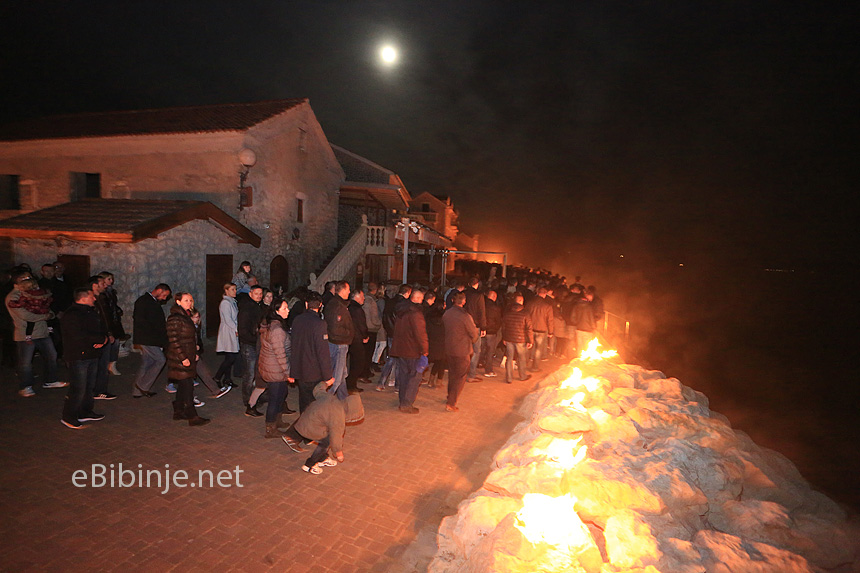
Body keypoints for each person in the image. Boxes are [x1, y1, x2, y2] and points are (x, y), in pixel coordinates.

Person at [6, 271, 65, 397]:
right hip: (26, 333)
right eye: (24, 277)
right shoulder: (13, 297)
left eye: (29, 277)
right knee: (25, 362)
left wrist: (50, 314)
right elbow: (26, 315)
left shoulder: (34, 292)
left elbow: (46, 306)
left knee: (51, 355)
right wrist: (45, 316)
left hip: (42, 331)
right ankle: (25, 386)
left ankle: (51, 380)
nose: (28, 279)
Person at [59, 287, 108, 429]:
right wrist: (98, 340)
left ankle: (85, 411)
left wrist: (103, 338)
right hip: (78, 355)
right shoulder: (72, 315)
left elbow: (97, 329)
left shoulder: (89, 312)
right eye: (92, 296)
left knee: (89, 386)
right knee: (78, 387)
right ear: (83, 298)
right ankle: (69, 416)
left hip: (91, 354)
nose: (94, 298)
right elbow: (78, 335)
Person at [281, 380, 346, 475]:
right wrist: (338, 452)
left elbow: (318, 390)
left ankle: (323, 458)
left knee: (326, 438)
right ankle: (309, 465)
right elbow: (336, 435)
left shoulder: (330, 398)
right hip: (309, 427)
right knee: (325, 442)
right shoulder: (338, 416)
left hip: (303, 421)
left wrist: (326, 383)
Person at [165, 292, 209, 426]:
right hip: (180, 357)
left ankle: (178, 410)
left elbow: (189, 337)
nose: (189, 303)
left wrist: (195, 351)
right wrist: (183, 357)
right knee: (188, 386)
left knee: (184, 384)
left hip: (188, 354)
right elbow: (173, 340)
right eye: (186, 300)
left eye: (190, 300)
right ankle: (192, 415)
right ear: (178, 302)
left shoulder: (186, 316)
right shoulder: (175, 318)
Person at [256, 298, 294, 438]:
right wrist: (288, 373)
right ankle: (270, 428)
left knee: (281, 394)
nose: (288, 310)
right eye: (284, 308)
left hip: (271, 366)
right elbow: (280, 354)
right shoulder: (277, 329)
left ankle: (277, 421)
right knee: (275, 398)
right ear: (277, 311)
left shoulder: (273, 324)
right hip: (275, 369)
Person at [290, 292, 334, 413]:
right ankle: (310, 429)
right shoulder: (320, 324)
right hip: (314, 371)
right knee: (314, 404)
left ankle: (303, 427)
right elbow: (322, 352)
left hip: (300, 368)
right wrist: (328, 376)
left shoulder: (297, 320)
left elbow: (293, 346)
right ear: (320, 305)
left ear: (306, 304)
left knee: (304, 402)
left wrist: (292, 371)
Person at [389, 288, 428, 414]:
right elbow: (420, 334)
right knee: (414, 377)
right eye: (421, 299)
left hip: (401, 348)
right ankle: (406, 403)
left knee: (404, 375)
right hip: (412, 349)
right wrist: (424, 350)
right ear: (416, 299)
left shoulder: (402, 310)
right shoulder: (415, 313)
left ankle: (402, 400)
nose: (422, 302)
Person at [132, 283, 171, 398]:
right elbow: (141, 321)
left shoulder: (151, 301)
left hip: (150, 338)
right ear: (159, 290)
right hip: (147, 338)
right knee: (160, 360)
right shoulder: (143, 301)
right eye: (164, 295)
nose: (164, 299)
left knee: (147, 363)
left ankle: (137, 391)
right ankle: (142, 386)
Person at [442, 291, 480, 412]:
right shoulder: (465, 316)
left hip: (449, 348)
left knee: (452, 374)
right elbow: (474, 334)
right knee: (460, 376)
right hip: (462, 350)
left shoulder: (447, 313)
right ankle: (451, 402)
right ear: (463, 302)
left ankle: (450, 395)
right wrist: (472, 340)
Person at [189, 308, 231, 401]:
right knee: (188, 377)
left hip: (195, 353)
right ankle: (188, 398)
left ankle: (215, 390)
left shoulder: (195, 326)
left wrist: (198, 347)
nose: (197, 319)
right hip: (190, 353)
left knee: (204, 372)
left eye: (197, 317)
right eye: (194, 317)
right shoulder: (189, 327)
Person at [323, 281, 353, 400]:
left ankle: (343, 397)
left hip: (336, 342)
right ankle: (325, 401)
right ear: (343, 290)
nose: (349, 292)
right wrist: (349, 333)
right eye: (348, 289)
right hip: (339, 343)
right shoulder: (337, 306)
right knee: (338, 376)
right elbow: (336, 329)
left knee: (342, 373)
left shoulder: (335, 303)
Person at [88, 276, 117, 400]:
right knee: (97, 365)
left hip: (103, 334)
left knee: (102, 364)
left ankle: (99, 389)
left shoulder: (101, 298)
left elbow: (106, 317)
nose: (105, 285)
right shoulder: (91, 300)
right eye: (102, 283)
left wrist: (109, 332)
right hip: (97, 336)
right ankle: (97, 391)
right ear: (94, 285)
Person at [377, 283, 411, 390]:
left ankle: (381, 382)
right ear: (408, 293)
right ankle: (398, 385)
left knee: (391, 359)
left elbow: (385, 317)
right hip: (400, 335)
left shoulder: (390, 302)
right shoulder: (405, 304)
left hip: (391, 333)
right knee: (399, 360)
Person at [237, 284, 264, 414]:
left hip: (256, 343)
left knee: (255, 372)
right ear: (250, 294)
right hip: (249, 344)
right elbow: (243, 330)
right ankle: (247, 400)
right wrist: (255, 339)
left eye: (260, 293)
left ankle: (254, 398)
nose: (259, 296)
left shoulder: (258, 307)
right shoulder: (247, 308)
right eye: (256, 293)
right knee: (249, 373)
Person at [98, 271, 126, 376]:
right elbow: (105, 310)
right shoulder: (102, 295)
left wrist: (117, 310)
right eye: (109, 279)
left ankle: (111, 364)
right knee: (110, 344)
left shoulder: (111, 292)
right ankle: (106, 365)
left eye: (111, 279)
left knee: (115, 343)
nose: (111, 281)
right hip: (108, 321)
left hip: (114, 320)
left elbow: (112, 305)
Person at [501, 293, 533, 384]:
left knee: (509, 358)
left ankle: (509, 378)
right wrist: (530, 340)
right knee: (522, 358)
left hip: (509, 338)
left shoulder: (507, 312)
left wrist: (504, 337)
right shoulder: (525, 313)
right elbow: (529, 328)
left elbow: (503, 326)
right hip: (520, 339)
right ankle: (522, 376)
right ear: (520, 301)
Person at [214, 283, 239, 387]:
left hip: (231, 329)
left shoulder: (232, 301)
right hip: (228, 331)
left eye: (235, 289)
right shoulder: (225, 303)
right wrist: (236, 329)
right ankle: (217, 377)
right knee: (230, 357)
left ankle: (227, 379)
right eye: (232, 289)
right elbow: (228, 319)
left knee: (230, 356)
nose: (235, 291)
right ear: (226, 290)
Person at [345, 289, 369, 394]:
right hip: (356, 338)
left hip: (350, 338)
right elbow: (361, 325)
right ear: (357, 297)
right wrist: (365, 336)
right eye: (362, 296)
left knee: (354, 362)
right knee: (358, 363)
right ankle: (350, 385)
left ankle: (351, 384)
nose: (364, 299)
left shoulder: (349, 307)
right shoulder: (357, 309)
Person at [525, 286, 554, 372]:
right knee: (538, 349)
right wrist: (551, 331)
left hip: (530, 329)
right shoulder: (547, 306)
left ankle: (524, 364)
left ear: (537, 293)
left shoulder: (530, 303)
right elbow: (550, 320)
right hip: (541, 330)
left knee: (528, 346)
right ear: (545, 294)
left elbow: (525, 315)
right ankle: (535, 367)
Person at [463, 277, 486, 382]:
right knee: (476, 350)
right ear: (477, 284)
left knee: (464, 349)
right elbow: (482, 312)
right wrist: (483, 327)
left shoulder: (463, 294)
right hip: (475, 326)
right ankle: (471, 375)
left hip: (463, 325)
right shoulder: (479, 296)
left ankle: (462, 372)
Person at [422, 291, 446, 389]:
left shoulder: (428, 315)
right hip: (442, 341)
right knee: (441, 361)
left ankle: (430, 380)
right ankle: (438, 381)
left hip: (431, 341)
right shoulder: (444, 317)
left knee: (432, 360)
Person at [481, 289, 502, 378]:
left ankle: (480, 363)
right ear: (494, 297)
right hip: (491, 332)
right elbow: (498, 320)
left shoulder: (481, 305)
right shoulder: (495, 308)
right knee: (490, 351)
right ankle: (488, 370)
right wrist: (496, 329)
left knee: (481, 349)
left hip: (482, 330)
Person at [362, 282, 382, 376]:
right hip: (371, 329)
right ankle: (366, 371)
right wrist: (379, 324)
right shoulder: (372, 301)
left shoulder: (364, 299)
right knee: (369, 352)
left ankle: (364, 370)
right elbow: (374, 317)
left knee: (365, 352)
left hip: (365, 328)